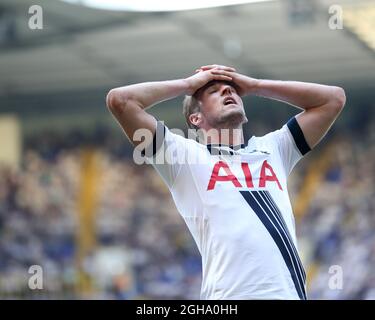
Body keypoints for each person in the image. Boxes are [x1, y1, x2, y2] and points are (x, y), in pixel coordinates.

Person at [106, 65, 346, 300]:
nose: (228, 92)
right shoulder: (182, 158)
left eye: (232, 89)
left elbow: (333, 99)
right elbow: (121, 101)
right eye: (213, 91)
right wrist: (188, 86)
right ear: (195, 118)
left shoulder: (274, 148)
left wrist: (255, 85)